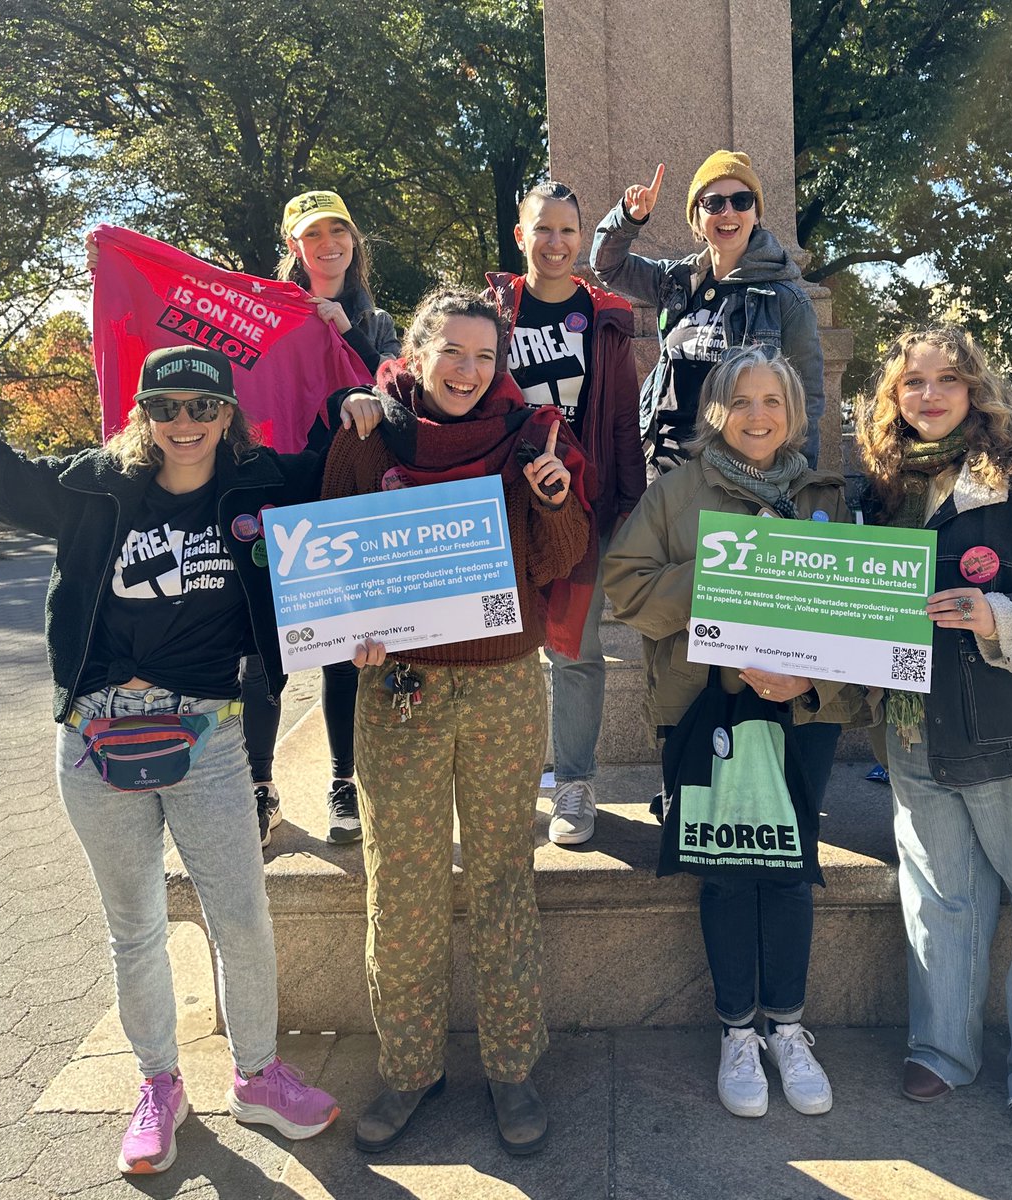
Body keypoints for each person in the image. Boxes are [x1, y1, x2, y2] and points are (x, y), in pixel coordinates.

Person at [0, 301, 339, 1175]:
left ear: (228, 414)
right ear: (143, 413)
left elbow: (342, 475)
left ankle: (257, 1075)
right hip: (95, 745)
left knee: (241, 919)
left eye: (203, 408)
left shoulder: (256, 484)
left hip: (207, 740)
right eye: (166, 408)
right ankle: (158, 1085)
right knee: (134, 928)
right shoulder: (91, 487)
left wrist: (369, 407)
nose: (185, 425)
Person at [322, 288, 590, 1155]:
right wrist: (345, 629)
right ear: (420, 352)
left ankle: (513, 1069)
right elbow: (329, 557)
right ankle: (409, 1069)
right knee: (401, 883)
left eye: (485, 356)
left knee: (503, 878)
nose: (469, 371)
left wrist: (553, 500)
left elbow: (558, 565)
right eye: (454, 353)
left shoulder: (533, 438)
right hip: (400, 690)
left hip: (504, 685)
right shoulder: (368, 434)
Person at [856, 326, 1012, 1133]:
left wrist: (996, 614)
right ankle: (942, 1050)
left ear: (976, 391)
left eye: (946, 380)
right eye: (911, 384)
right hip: (917, 729)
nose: (928, 396)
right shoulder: (883, 489)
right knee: (939, 896)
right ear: (891, 399)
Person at [604, 348, 868, 1120]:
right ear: (715, 409)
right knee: (724, 867)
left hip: (802, 711)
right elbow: (626, 589)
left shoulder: (829, 494)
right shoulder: (676, 492)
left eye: (774, 401)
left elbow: (860, 617)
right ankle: (735, 1032)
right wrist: (724, 568)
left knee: (791, 865)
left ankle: (787, 1027)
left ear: (795, 413)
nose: (759, 416)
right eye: (743, 400)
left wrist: (812, 682)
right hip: (706, 712)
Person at [484, 179, 645, 845]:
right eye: (542, 229)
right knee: (498, 644)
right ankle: (500, 782)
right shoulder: (491, 310)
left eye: (567, 231)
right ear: (520, 237)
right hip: (503, 505)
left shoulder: (605, 316)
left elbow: (620, 424)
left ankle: (574, 782)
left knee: (575, 647)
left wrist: (625, 507)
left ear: (582, 240)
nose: (555, 242)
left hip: (581, 505)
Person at [242, 189, 403, 848]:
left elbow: (399, 391)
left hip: (344, 502)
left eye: (340, 232)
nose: (329, 245)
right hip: (274, 494)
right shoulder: (263, 315)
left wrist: (343, 327)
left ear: (353, 242)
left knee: (343, 649)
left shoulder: (378, 320)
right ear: (294, 246)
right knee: (264, 651)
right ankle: (259, 784)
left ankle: (343, 780)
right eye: (314, 235)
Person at [590, 151, 825, 476]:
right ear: (697, 220)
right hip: (663, 471)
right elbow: (606, 265)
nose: (728, 211)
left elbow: (807, 405)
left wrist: (797, 488)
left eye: (741, 200)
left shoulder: (785, 299)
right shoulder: (674, 281)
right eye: (713, 203)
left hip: (737, 479)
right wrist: (628, 219)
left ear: (756, 214)